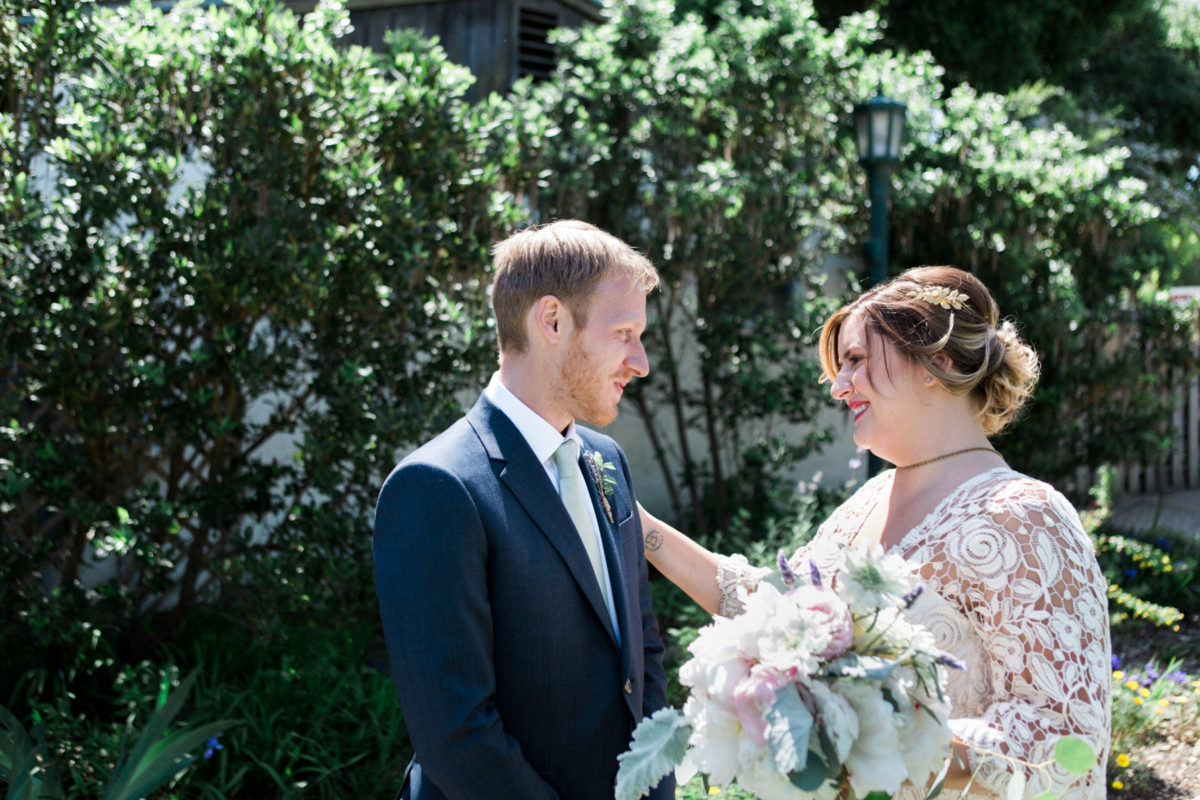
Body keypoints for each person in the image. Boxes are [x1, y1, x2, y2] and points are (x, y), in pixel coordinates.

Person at [639, 266, 1111, 798]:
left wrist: (861, 740)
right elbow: (768, 606)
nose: (839, 388)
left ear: (937, 361)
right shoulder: (867, 500)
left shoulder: (1023, 517)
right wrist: (641, 528)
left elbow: (1066, 736)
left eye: (857, 362)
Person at [373, 220, 674, 800]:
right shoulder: (436, 487)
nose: (640, 361)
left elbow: (644, 652)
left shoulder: (606, 460)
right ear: (553, 321)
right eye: (625, 333)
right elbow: (456, 735)